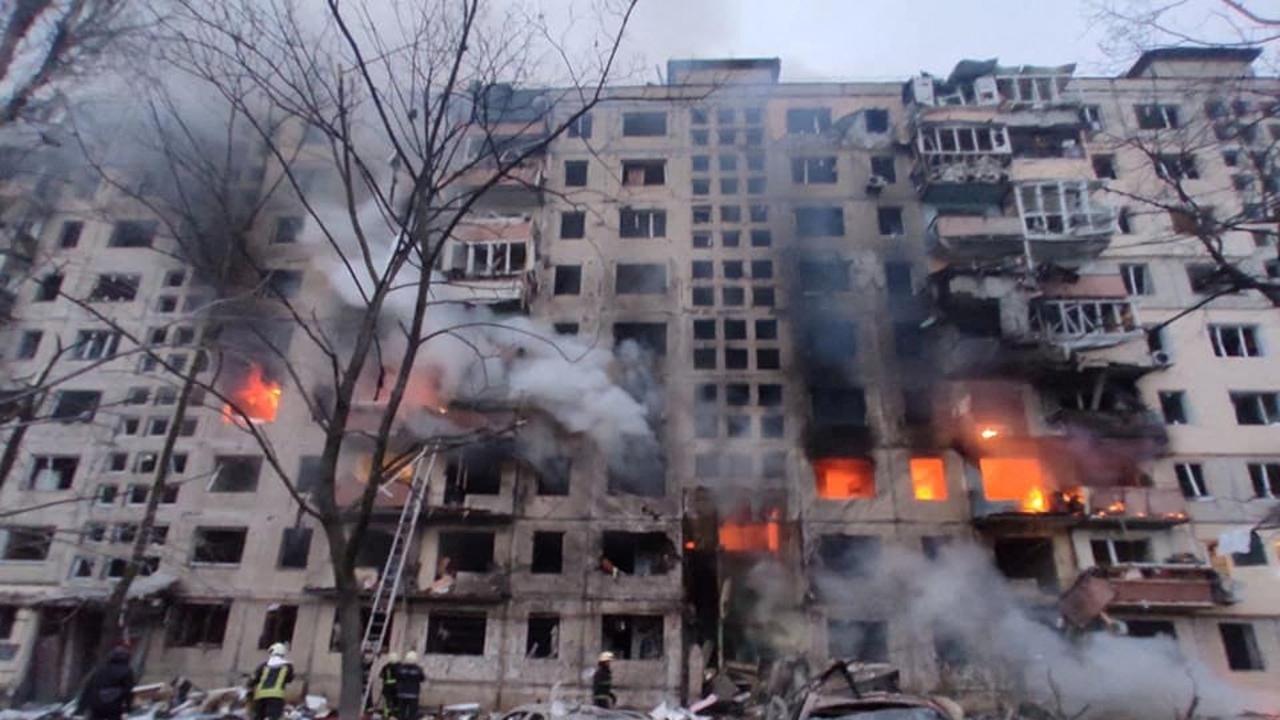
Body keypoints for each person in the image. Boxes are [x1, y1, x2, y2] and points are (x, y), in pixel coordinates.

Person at [78, 646, 135, 720]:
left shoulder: (100, 669)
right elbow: (128, 691)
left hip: (96, 704)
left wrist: (81, 708)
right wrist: (128, 708)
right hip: (113, 706)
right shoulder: (127, 671)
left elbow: (89, 687)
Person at [247, 642, 295, 720]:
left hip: (260, 697)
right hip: (276, 697)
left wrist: (249, 688)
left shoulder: (263, 665)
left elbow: (253, 679)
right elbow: (289, 679)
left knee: (258, 717)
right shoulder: (288, 666)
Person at [390, 651, 426, 720]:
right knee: (412, 713)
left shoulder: (400, 668)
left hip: (401, 694)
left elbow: (396, 677)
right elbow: (422, 679)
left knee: (401, 712)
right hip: (413, 694)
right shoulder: (418, 669)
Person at [379, 652, 402, 718]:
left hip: (387, 688)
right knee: (397, 702)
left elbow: (381, 675)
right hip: (396, 687)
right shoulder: (399, 666)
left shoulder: (385, 667)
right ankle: (396, 715)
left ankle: (386, 716)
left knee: (388, 702)